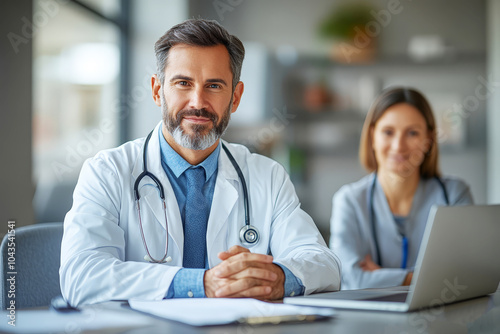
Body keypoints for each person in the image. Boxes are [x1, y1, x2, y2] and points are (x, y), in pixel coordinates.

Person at [60, 19, 341, 306]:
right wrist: (202, 284)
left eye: (214, 86)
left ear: (235, 97)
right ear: (158, 91)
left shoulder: (267, 176)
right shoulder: (106, 171)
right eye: (183, 83)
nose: (198, 101)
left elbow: (324, 263)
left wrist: (277, 278)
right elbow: (81, 276)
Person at [329, 87, 473, 290]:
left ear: (429, 140)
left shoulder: (454, 195)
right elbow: (351, 279)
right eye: (388, 132)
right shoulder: (349, 200)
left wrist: (381, 277)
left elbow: (468, 274)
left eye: (412, 133)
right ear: (372, 136)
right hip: (366, 322)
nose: (399, 146)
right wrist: (421, 279)